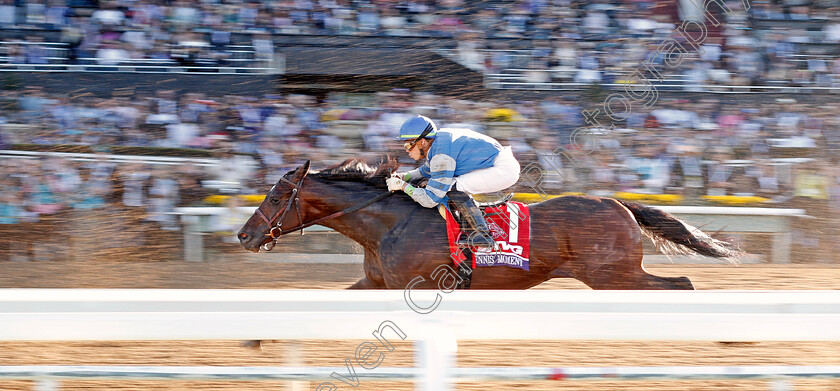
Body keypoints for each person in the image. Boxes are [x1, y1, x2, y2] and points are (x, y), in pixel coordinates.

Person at [386, 115, 520, 247]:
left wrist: (403, 186)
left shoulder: (441, 155)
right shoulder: (437, 144)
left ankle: (482, 234)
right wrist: (404, 177)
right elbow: (425, 170)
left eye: (408, 145)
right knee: (451, 185)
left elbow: (430, 200)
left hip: (503, 169)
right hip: (498, 163)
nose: (407, 151)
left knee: (454, 187)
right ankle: (471, 224)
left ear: (422, 142)